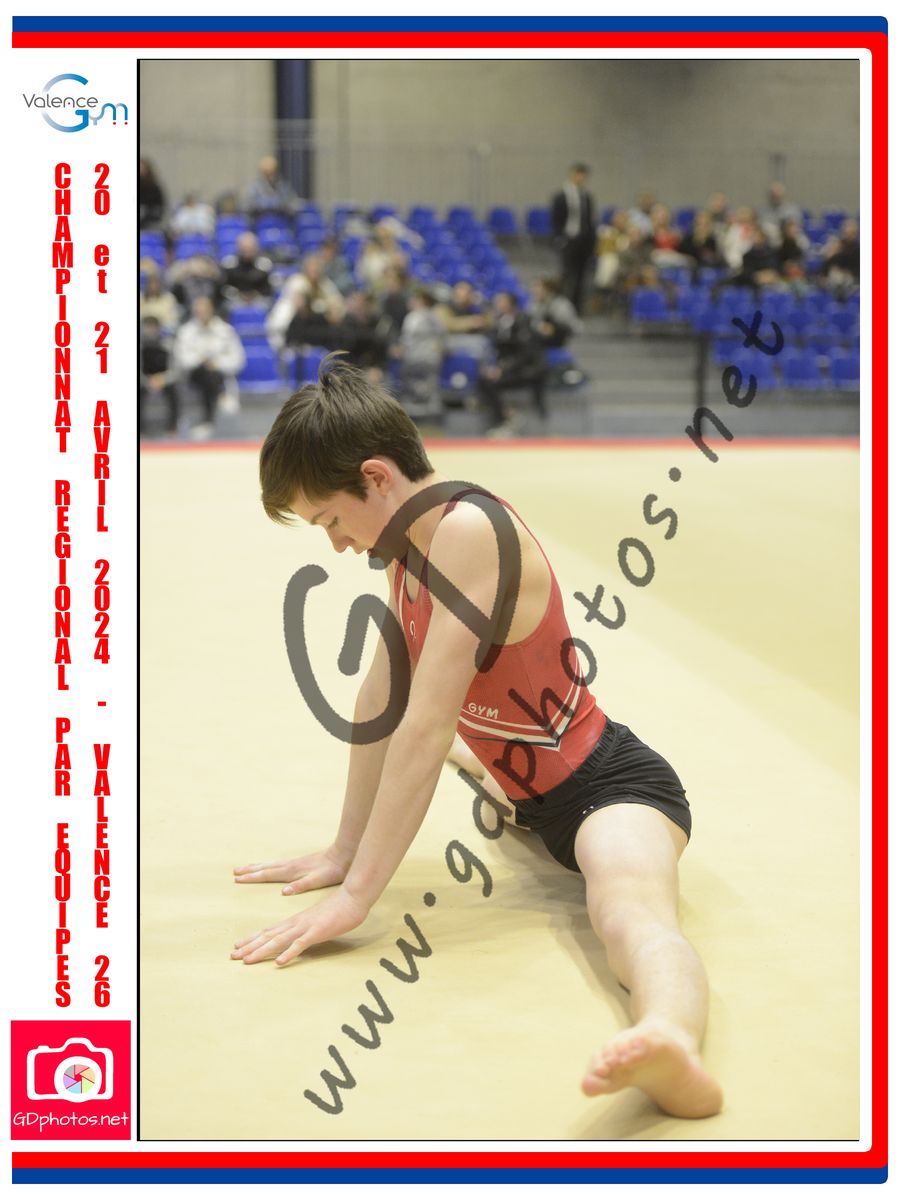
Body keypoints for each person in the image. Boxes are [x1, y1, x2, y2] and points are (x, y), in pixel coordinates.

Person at [234, 357, 724, 1121]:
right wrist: (343, 850)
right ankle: (498, 787)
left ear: (375, 477)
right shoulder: (407, 548)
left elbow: (426, 726)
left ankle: (670, 1037)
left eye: (329, 520)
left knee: (627, 911)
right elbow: (380, 702)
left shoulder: (468, 531)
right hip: (527, 793)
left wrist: (358, 897)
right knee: (482, 768)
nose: (336, 545)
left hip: (609, 787)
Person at [173, 296, 246, 438]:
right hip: (193, 375)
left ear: (211, 310)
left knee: (211, 375)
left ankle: (208, 420)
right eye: (198, 311)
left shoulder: (226, 330)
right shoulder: (186, 331)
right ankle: (221, 396)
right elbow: (182, 358)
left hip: (220, 374)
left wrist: (217, 363)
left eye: (204, 310)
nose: (201, 313)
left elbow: (238, 360)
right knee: (206, 374)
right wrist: (200, 361)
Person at [477, 291, 546, 435]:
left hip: (527, 369)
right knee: (484, 379)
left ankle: (505, 421)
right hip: (509, 367)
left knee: (491, 383)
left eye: (501, 301)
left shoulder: (522, 321)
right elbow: (501, 350)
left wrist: (503, 369)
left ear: (510, 304)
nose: (497, 304)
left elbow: (525, 354)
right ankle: (508, 415)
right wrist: (494, 368)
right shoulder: (501, 321)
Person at [550, 163, 596, 315]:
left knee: (581, 276)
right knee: (566, 275)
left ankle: (577, 308)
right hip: (567, 240)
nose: (580, 178)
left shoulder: (586, 197)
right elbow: (556, 219)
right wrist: (559, 239)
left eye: (583, 175)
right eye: (578, 174)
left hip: (583, 242)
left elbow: (589, 220)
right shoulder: (560, 196)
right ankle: (562, 308)